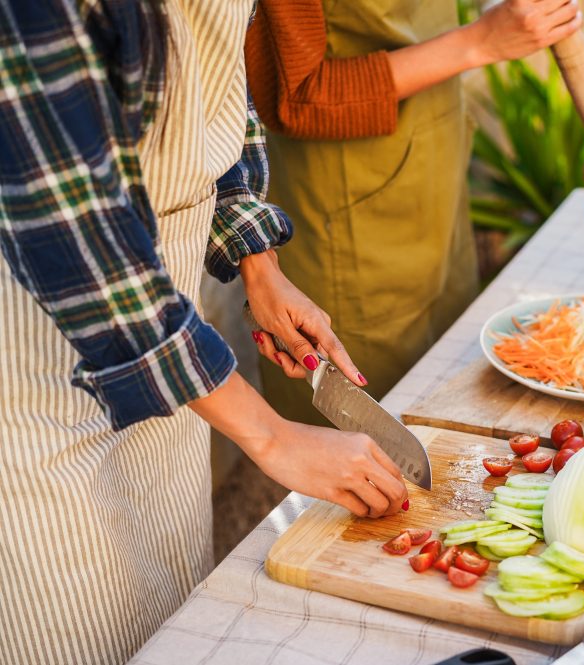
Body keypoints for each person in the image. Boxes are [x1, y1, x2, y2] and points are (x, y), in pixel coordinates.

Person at [0, 1, 407, 663]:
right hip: (41, 381)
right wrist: (269, 433)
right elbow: (81, 242)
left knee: (171, 616)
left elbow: (212, 93)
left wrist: (257, 259)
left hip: (176, 360)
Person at [245, 0, 584, 424]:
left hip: (430, 165)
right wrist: (480, 41)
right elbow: (296, 97)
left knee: (443, 392)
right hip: (347, 212)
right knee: (365, 435)